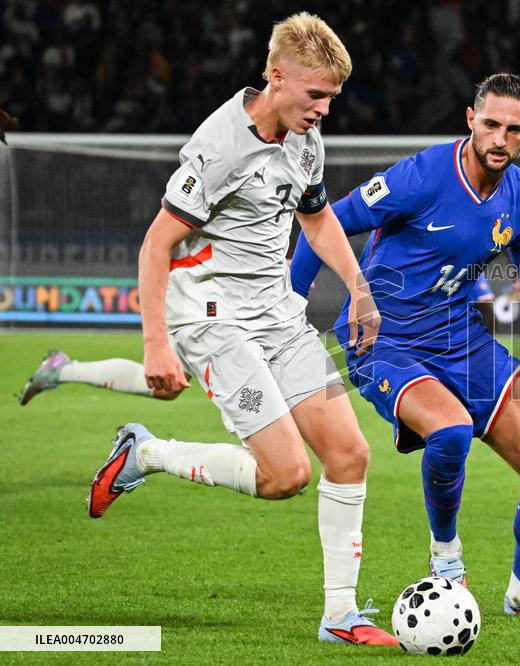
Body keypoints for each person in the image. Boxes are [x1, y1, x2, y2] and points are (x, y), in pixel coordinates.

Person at [84, 13, 396, 647]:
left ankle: (340, 617)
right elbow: (154, 246)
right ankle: (147, 453)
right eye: (315, 95)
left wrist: (358, 288)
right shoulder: (219, 146)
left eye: (332, 97)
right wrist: (155, 343)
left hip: (278, 313)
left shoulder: (306, 139)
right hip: (212, 320)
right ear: (276, 77)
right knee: (286, 476)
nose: (324, 109)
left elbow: (316, 218)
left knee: (350, 454)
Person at [290, 73, 520, 619]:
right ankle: (446, 559)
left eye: (513, 130)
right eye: (490, 124)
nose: (500, 138)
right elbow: (324, 219)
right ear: (470, 119)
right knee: (449, 431)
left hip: (461, 338)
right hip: (387, 340)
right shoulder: (421, 177)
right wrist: (293, 307)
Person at [19, 351, 182, 404]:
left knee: (169, 387)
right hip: (198, 298)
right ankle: (63, 370)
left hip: (198, 296)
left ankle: (63, 370)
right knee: (171, 384)